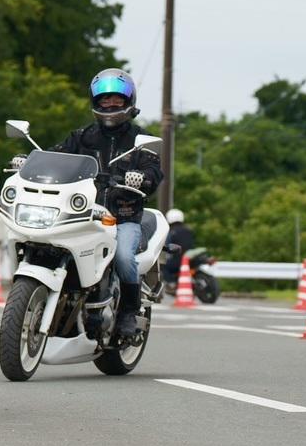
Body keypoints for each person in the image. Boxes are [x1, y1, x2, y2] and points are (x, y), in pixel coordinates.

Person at [51, 70, 163, 338]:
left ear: (128, 101)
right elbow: (55, 156)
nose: (110, 105)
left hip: (123, 216)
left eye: (116, 99)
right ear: (95, 102)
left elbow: (154, 171)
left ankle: (127, 312)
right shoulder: (81, 137)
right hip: (84, 214)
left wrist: (143, 177)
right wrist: (30, 160)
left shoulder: (140, 139)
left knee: (124, 257)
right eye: (104, 100)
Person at [161, 208, 197, 291]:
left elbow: (166, 244)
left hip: (179, 260)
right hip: (191, 258)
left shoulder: (171, 231)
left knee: (163, 267)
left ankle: (172, 284)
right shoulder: (188, 229)